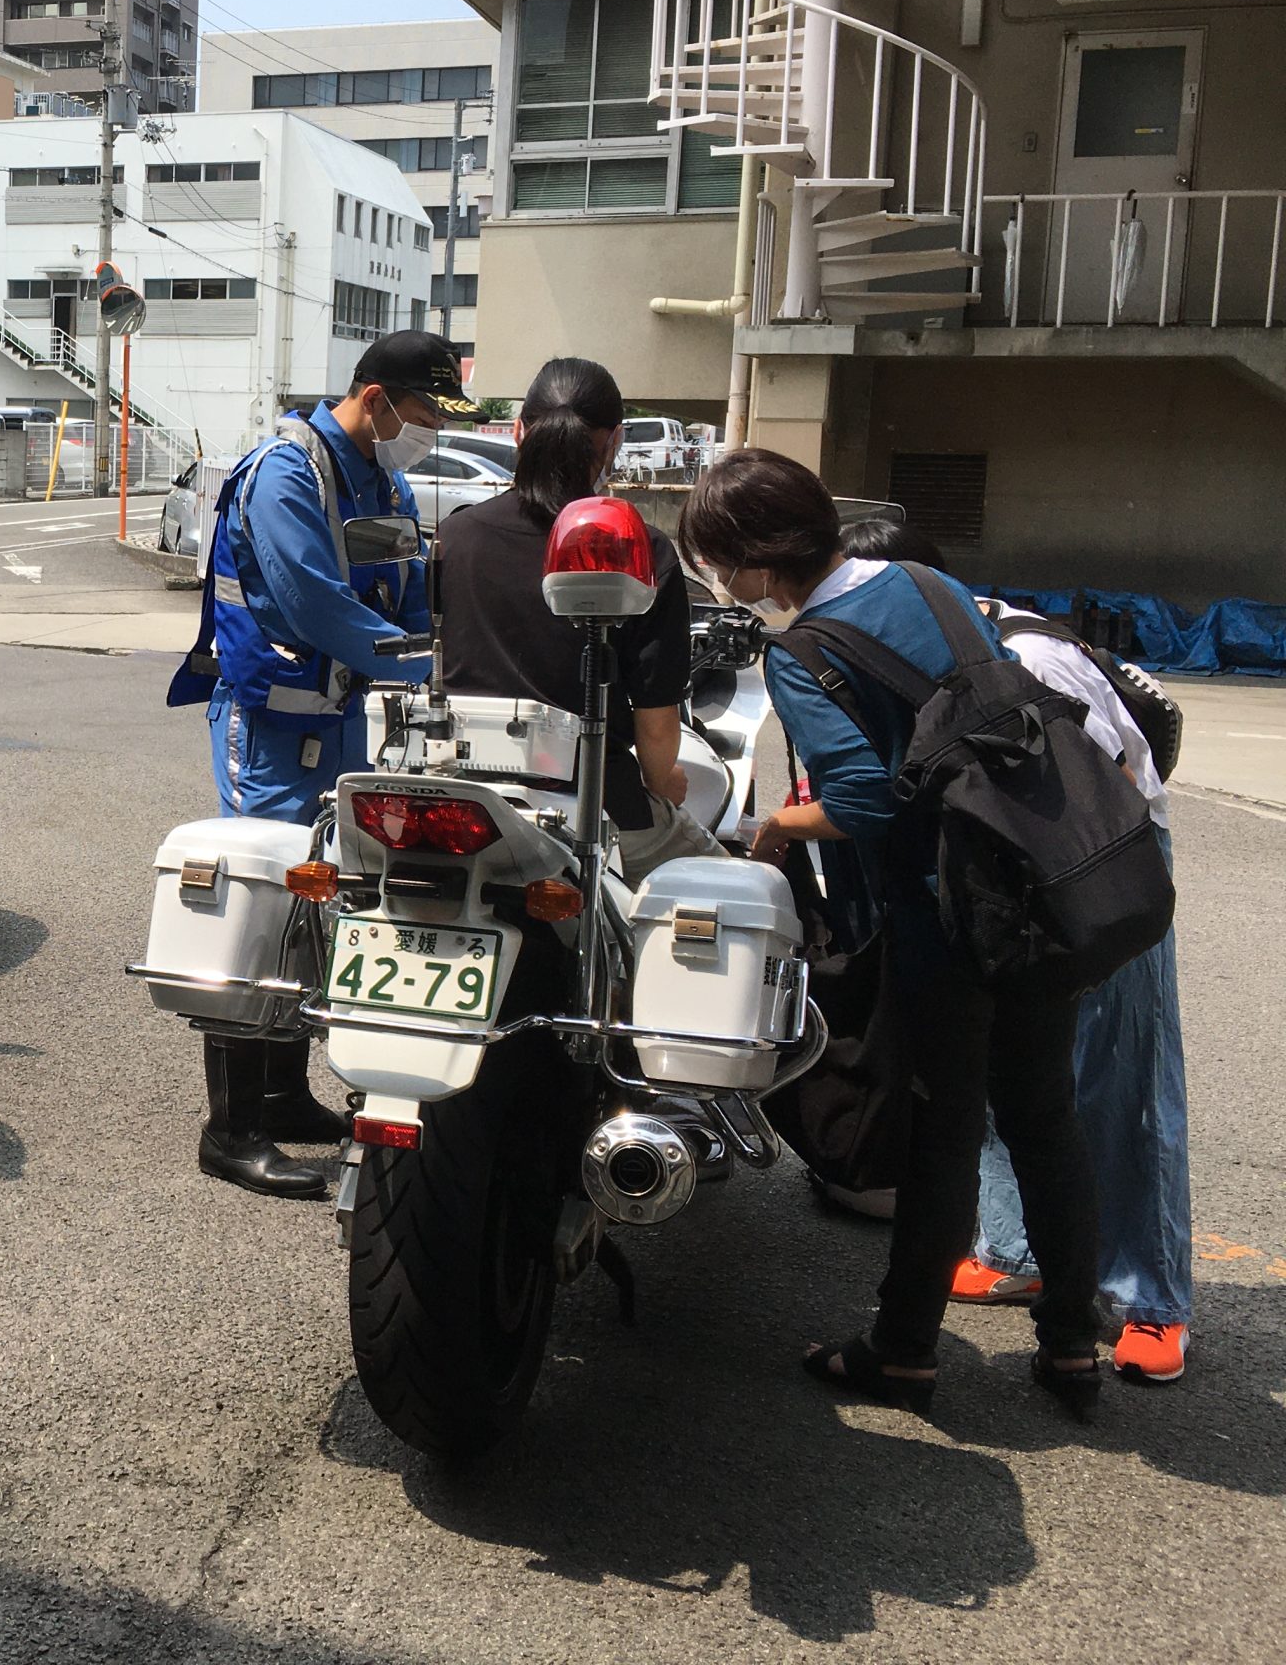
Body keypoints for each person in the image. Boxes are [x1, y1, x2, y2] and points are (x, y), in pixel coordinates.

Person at [680, 452, 1101, 1416]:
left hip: (945, 911)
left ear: (752, 561)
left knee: (943, 1132)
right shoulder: (925, 582)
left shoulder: (804, 652)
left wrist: (777, 828)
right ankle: (1073, 1346)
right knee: (1045, 1119)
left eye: (715, 562)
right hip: (1036, 881)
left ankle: (904, 1351)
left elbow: (865, 798)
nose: (718, 580)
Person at [840, 516, 1193, 1385]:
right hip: (1005, 875)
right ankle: (1018, 1253)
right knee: (1020, 1080)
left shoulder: (1026, 653)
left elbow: (1110, 788)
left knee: (1116, 1082)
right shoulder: (926, 652)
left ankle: (1151, 1299)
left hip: (1096, 864)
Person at [168, 329, 472, 1197]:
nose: (428, 432)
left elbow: (407, 590)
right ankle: (231, 1129)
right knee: (260, 901)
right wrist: (425, 665)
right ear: (375, 400)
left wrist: (430, 649)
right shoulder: (287, 473)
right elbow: (313, 602)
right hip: (271, 726)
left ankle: (283, 1094)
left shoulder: (387, 481)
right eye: (422, 413)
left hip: (345, 725)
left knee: (320, 902)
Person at [439, 358, 721, 880]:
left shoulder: (455, 535)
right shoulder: (637, 545)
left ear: (519, 431)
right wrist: (663, 783)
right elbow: (656, 719)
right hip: (597, 803)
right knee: (734, 890)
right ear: (614, 442)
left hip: (462, 798)